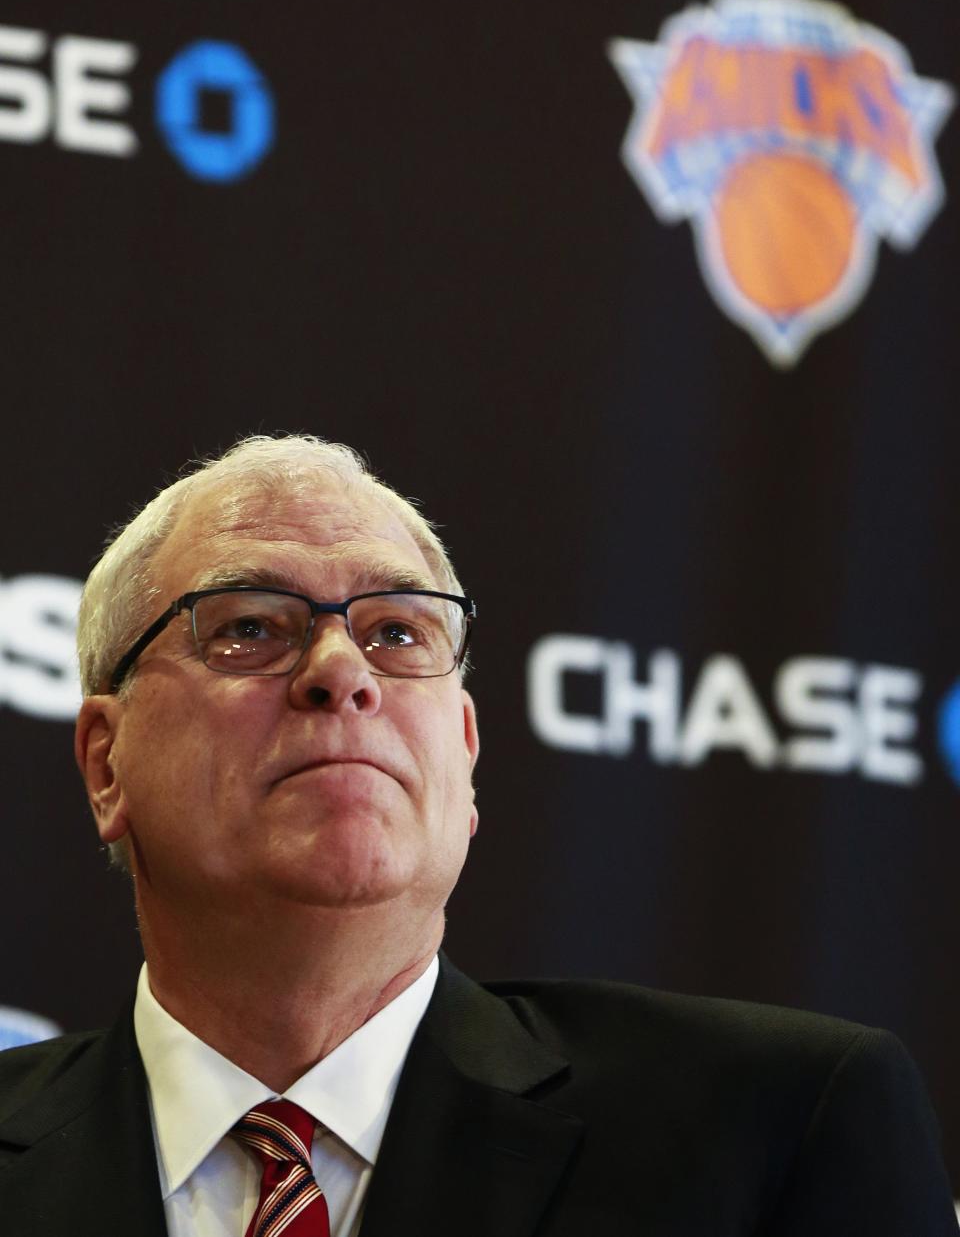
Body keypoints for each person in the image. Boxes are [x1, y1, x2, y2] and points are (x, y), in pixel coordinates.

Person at [0, 433, 956, 1236]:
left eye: (398, 633)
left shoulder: (776, 1131)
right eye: (251, 625)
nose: (342, 671)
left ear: (463, 754)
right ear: (106, 764)